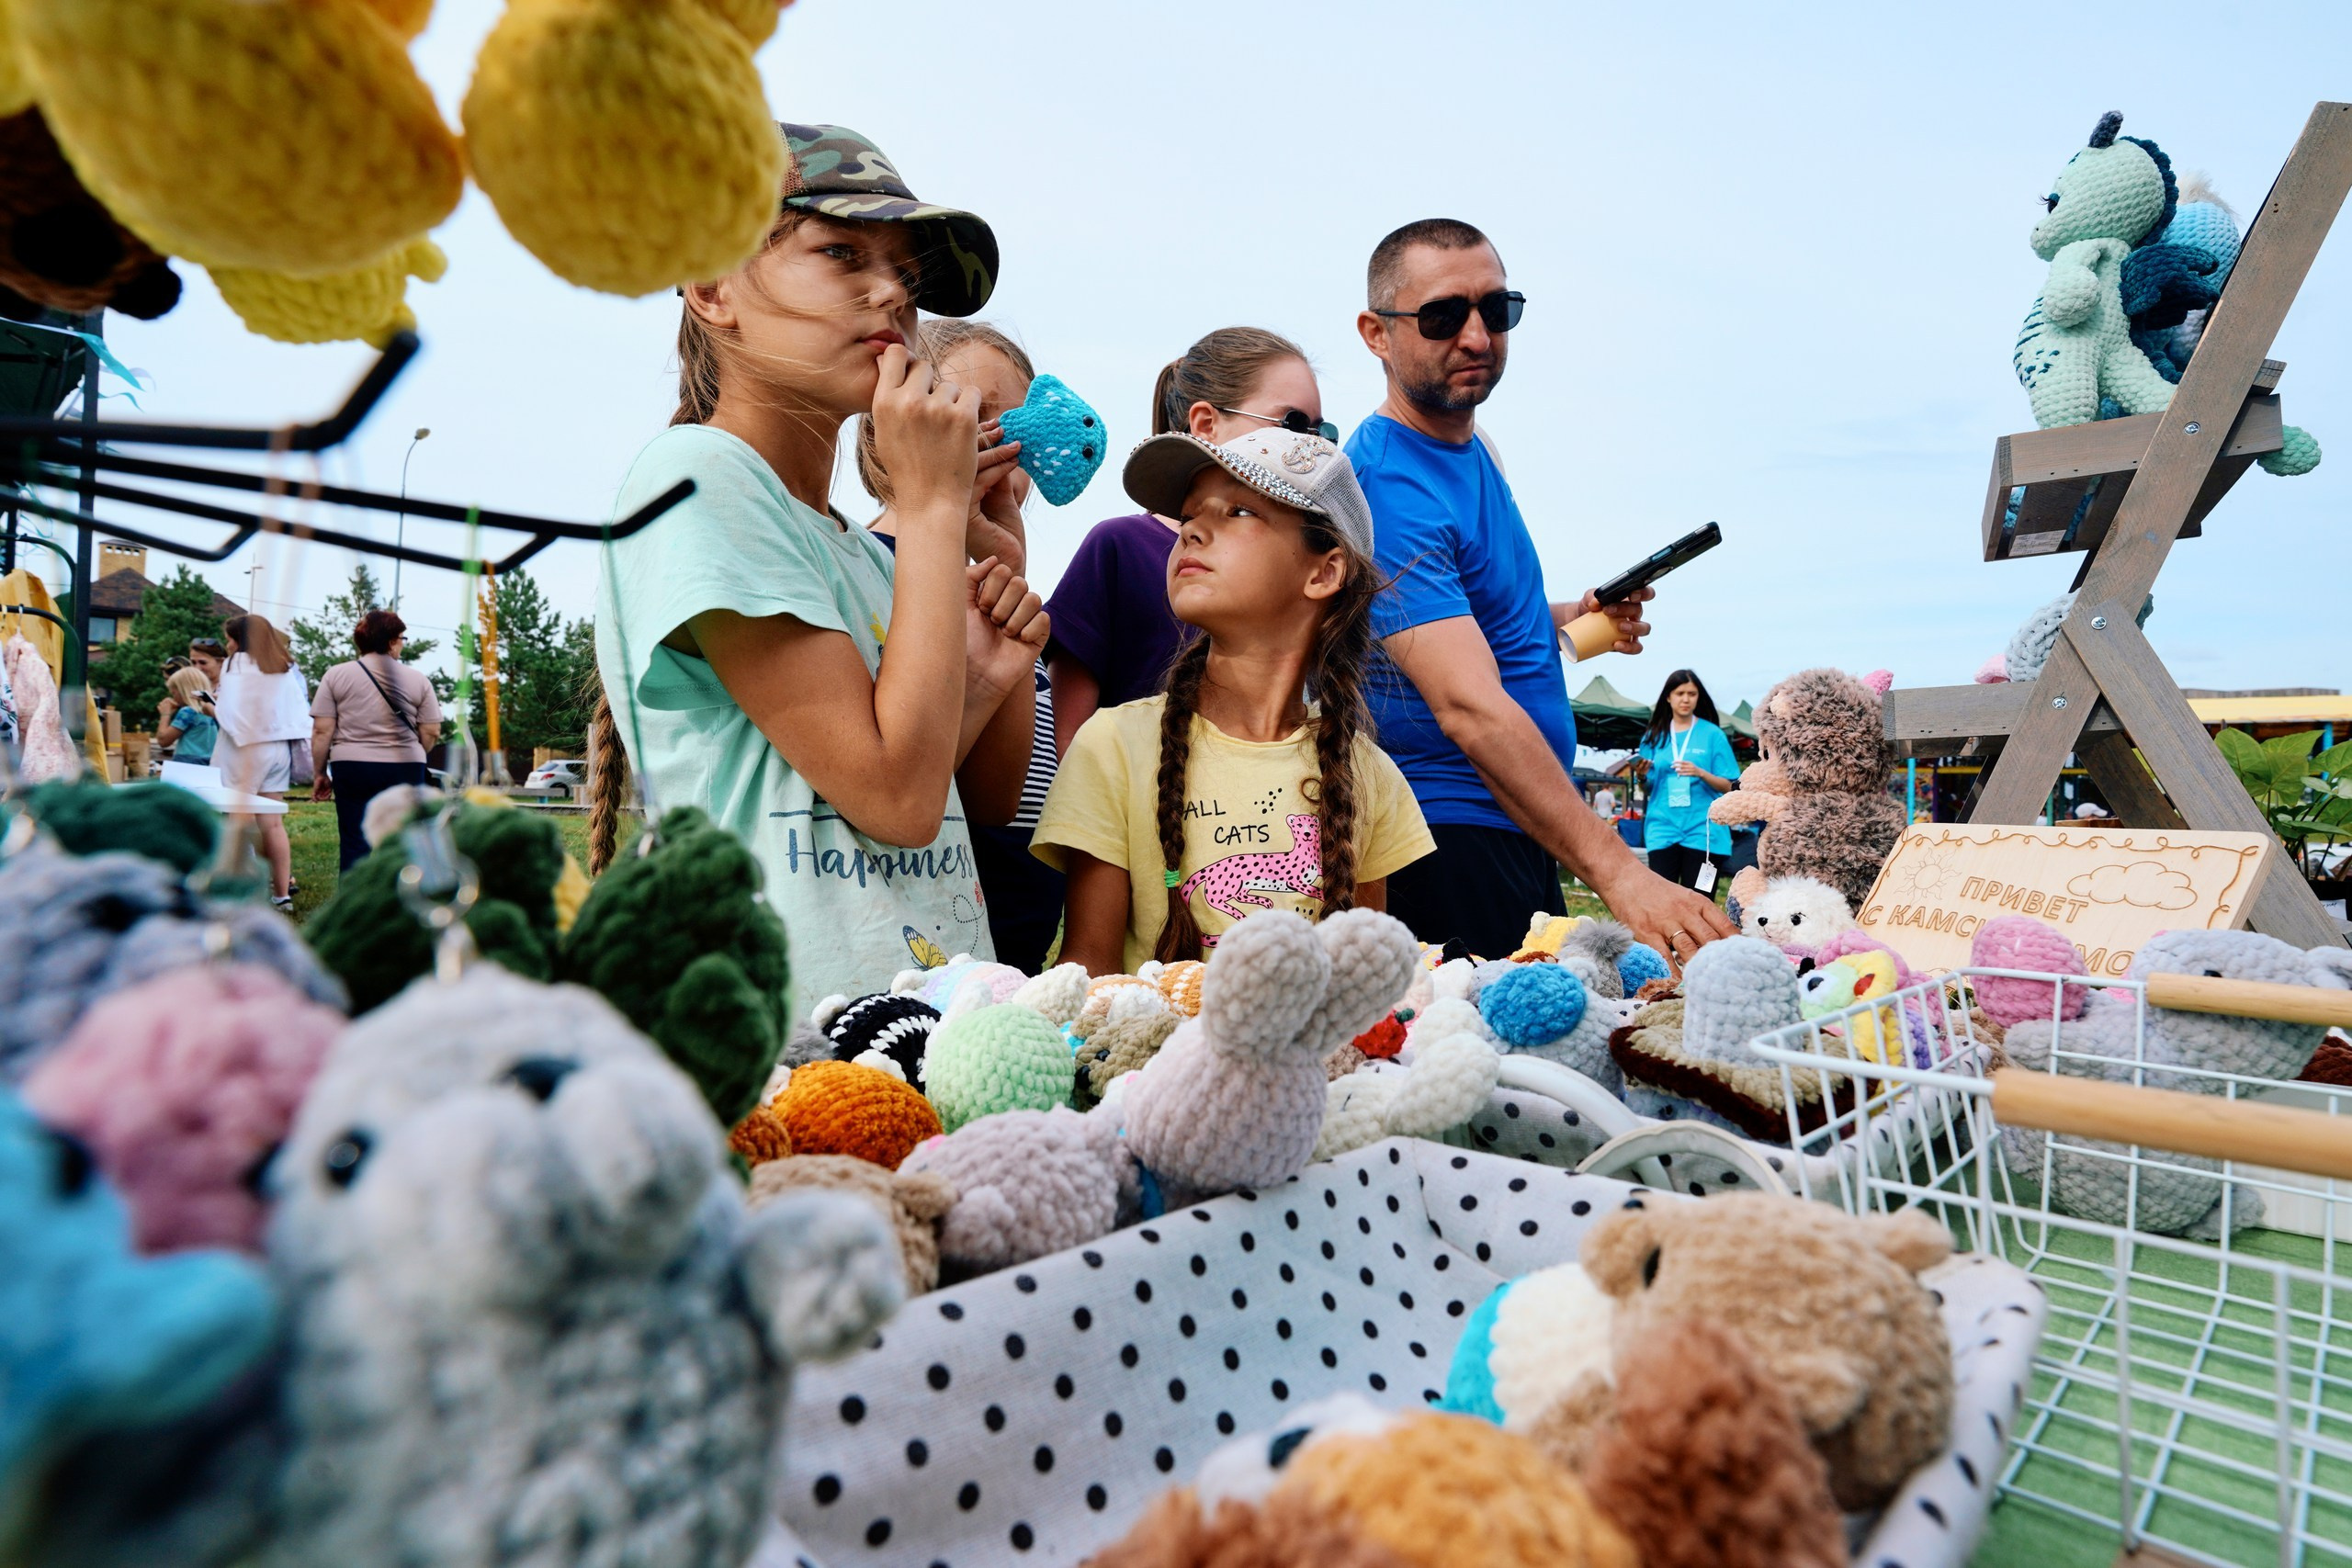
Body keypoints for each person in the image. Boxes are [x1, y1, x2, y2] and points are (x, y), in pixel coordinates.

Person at [586, 123, 1046, 1005]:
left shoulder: (858, 549)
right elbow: (897, 800)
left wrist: (989, 669)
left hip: (923, 1023)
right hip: (786, 1040)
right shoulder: (696, 478)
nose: (892, 298)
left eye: (907, 278)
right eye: (841, 252)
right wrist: (934, 506)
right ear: (713, 287)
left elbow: (973, 804)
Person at [1347, 217, 1734, 964]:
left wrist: (1574, 620)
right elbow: (1467, 706)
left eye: (1497, 310)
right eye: (1441, 315)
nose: (1476, 336)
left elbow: (1476, 624)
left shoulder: (1470, 447)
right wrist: (1622, 872)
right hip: (1449, 838)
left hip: (1519, 825)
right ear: (1376, 333)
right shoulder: (1386, 483)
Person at [1035, 429, 1433, 975]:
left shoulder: (1371, 776)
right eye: (1190, 514)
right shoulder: (1112, 746)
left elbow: (1365, 988)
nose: (1193, 530)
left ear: (1323, 572)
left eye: (1240, 511)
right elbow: (1088, 970)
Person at [854, 319, 1064, 973]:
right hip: (919, 949)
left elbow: (997, 799)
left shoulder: (1009, 591)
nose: (1003, 442)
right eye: (975, 414)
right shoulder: (869, 571)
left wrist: (1009, 575)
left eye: (1022, 425)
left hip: (1008, 946)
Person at [1044, 327, 1330, 756]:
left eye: (1322, 433)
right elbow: (1070, 743)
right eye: (1292, 423)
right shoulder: (1119, 546)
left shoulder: (1303, 564)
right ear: (1206, 424)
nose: (1307, 446)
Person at [310, 607, 443, 873]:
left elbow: (322, 731)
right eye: (402, 638)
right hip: (404, 766)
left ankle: (354, 905)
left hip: (352, 765)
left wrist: (319, 772)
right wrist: (415, 753)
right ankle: (402, 901)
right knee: (403, 838)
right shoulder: (418, 680)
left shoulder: (335, 675)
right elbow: (431, 731)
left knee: (354, 841)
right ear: (392, 641)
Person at [212, 614, 309, 908]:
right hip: (278, 748)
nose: (227, 645)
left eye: (230, 639)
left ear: (241, 640)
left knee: (238, 818)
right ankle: (281, 895)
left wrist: (211, 706)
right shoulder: (283, 666)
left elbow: (229, 711)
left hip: (245, 748)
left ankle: (245, 891)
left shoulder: (236, 664)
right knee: (272, 823)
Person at [1632, 669, 1739, 891]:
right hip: (1663, 829)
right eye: (1680, 693)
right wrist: (1641, 776)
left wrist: (1701, 773)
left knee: (1700, 899)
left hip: (1704, 831)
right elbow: (1649, 787)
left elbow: (1732, 786)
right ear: (1668, 697)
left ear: (1698, 697)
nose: (1686, 699)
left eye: (1692, 693)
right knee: (1662, 900)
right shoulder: (1653, 736)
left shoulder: (1712, 734)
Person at [157, 664, 218, 763]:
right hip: (209, 763)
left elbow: (163, 740)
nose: (174, 698)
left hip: (187, 763)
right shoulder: (212, 712)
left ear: (183, 691)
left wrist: (165, 714)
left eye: (174, 693)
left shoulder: (188, 712)